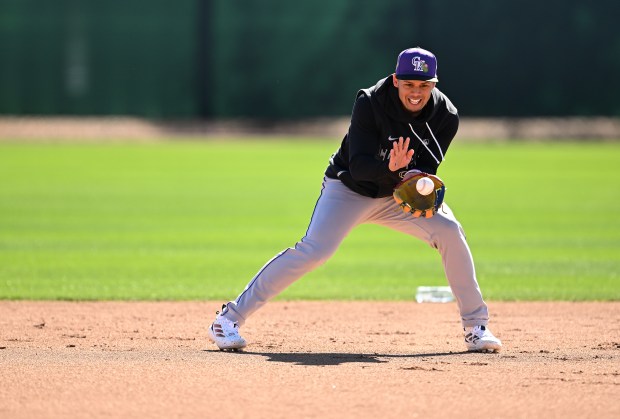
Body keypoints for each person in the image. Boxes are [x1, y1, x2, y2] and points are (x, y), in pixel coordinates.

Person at [208, 47, 502, 353]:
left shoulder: (445, 117)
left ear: (434, 85)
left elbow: (424, 173)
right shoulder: (371, 102)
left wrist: (414, 182)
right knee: (314, 251)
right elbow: (359, 166)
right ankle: (228, 320)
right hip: (348, 188)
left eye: (424, 85)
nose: (416, 92)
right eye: (409, 84)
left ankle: (476, 327)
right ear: (395, 80)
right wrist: (391, 169)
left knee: (451, 233)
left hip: (396, 195)